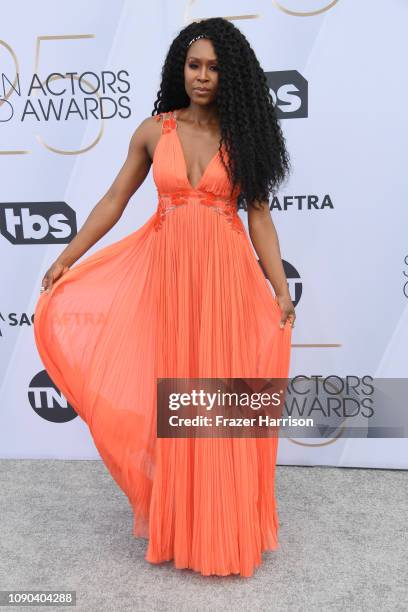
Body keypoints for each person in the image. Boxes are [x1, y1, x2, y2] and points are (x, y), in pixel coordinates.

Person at [34, 17, 296, 577]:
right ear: (181, 67)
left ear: (232, 75)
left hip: (225, 282)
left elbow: (260, 218)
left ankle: (222, 529)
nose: (203, 77)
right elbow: (112, 200)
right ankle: (182, 525)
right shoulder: (155, 131)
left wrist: (279, 289)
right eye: (194, 65)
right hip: (173, 283)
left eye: (214, 68)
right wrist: (65, 258)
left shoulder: (242, 134)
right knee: (180, 400)